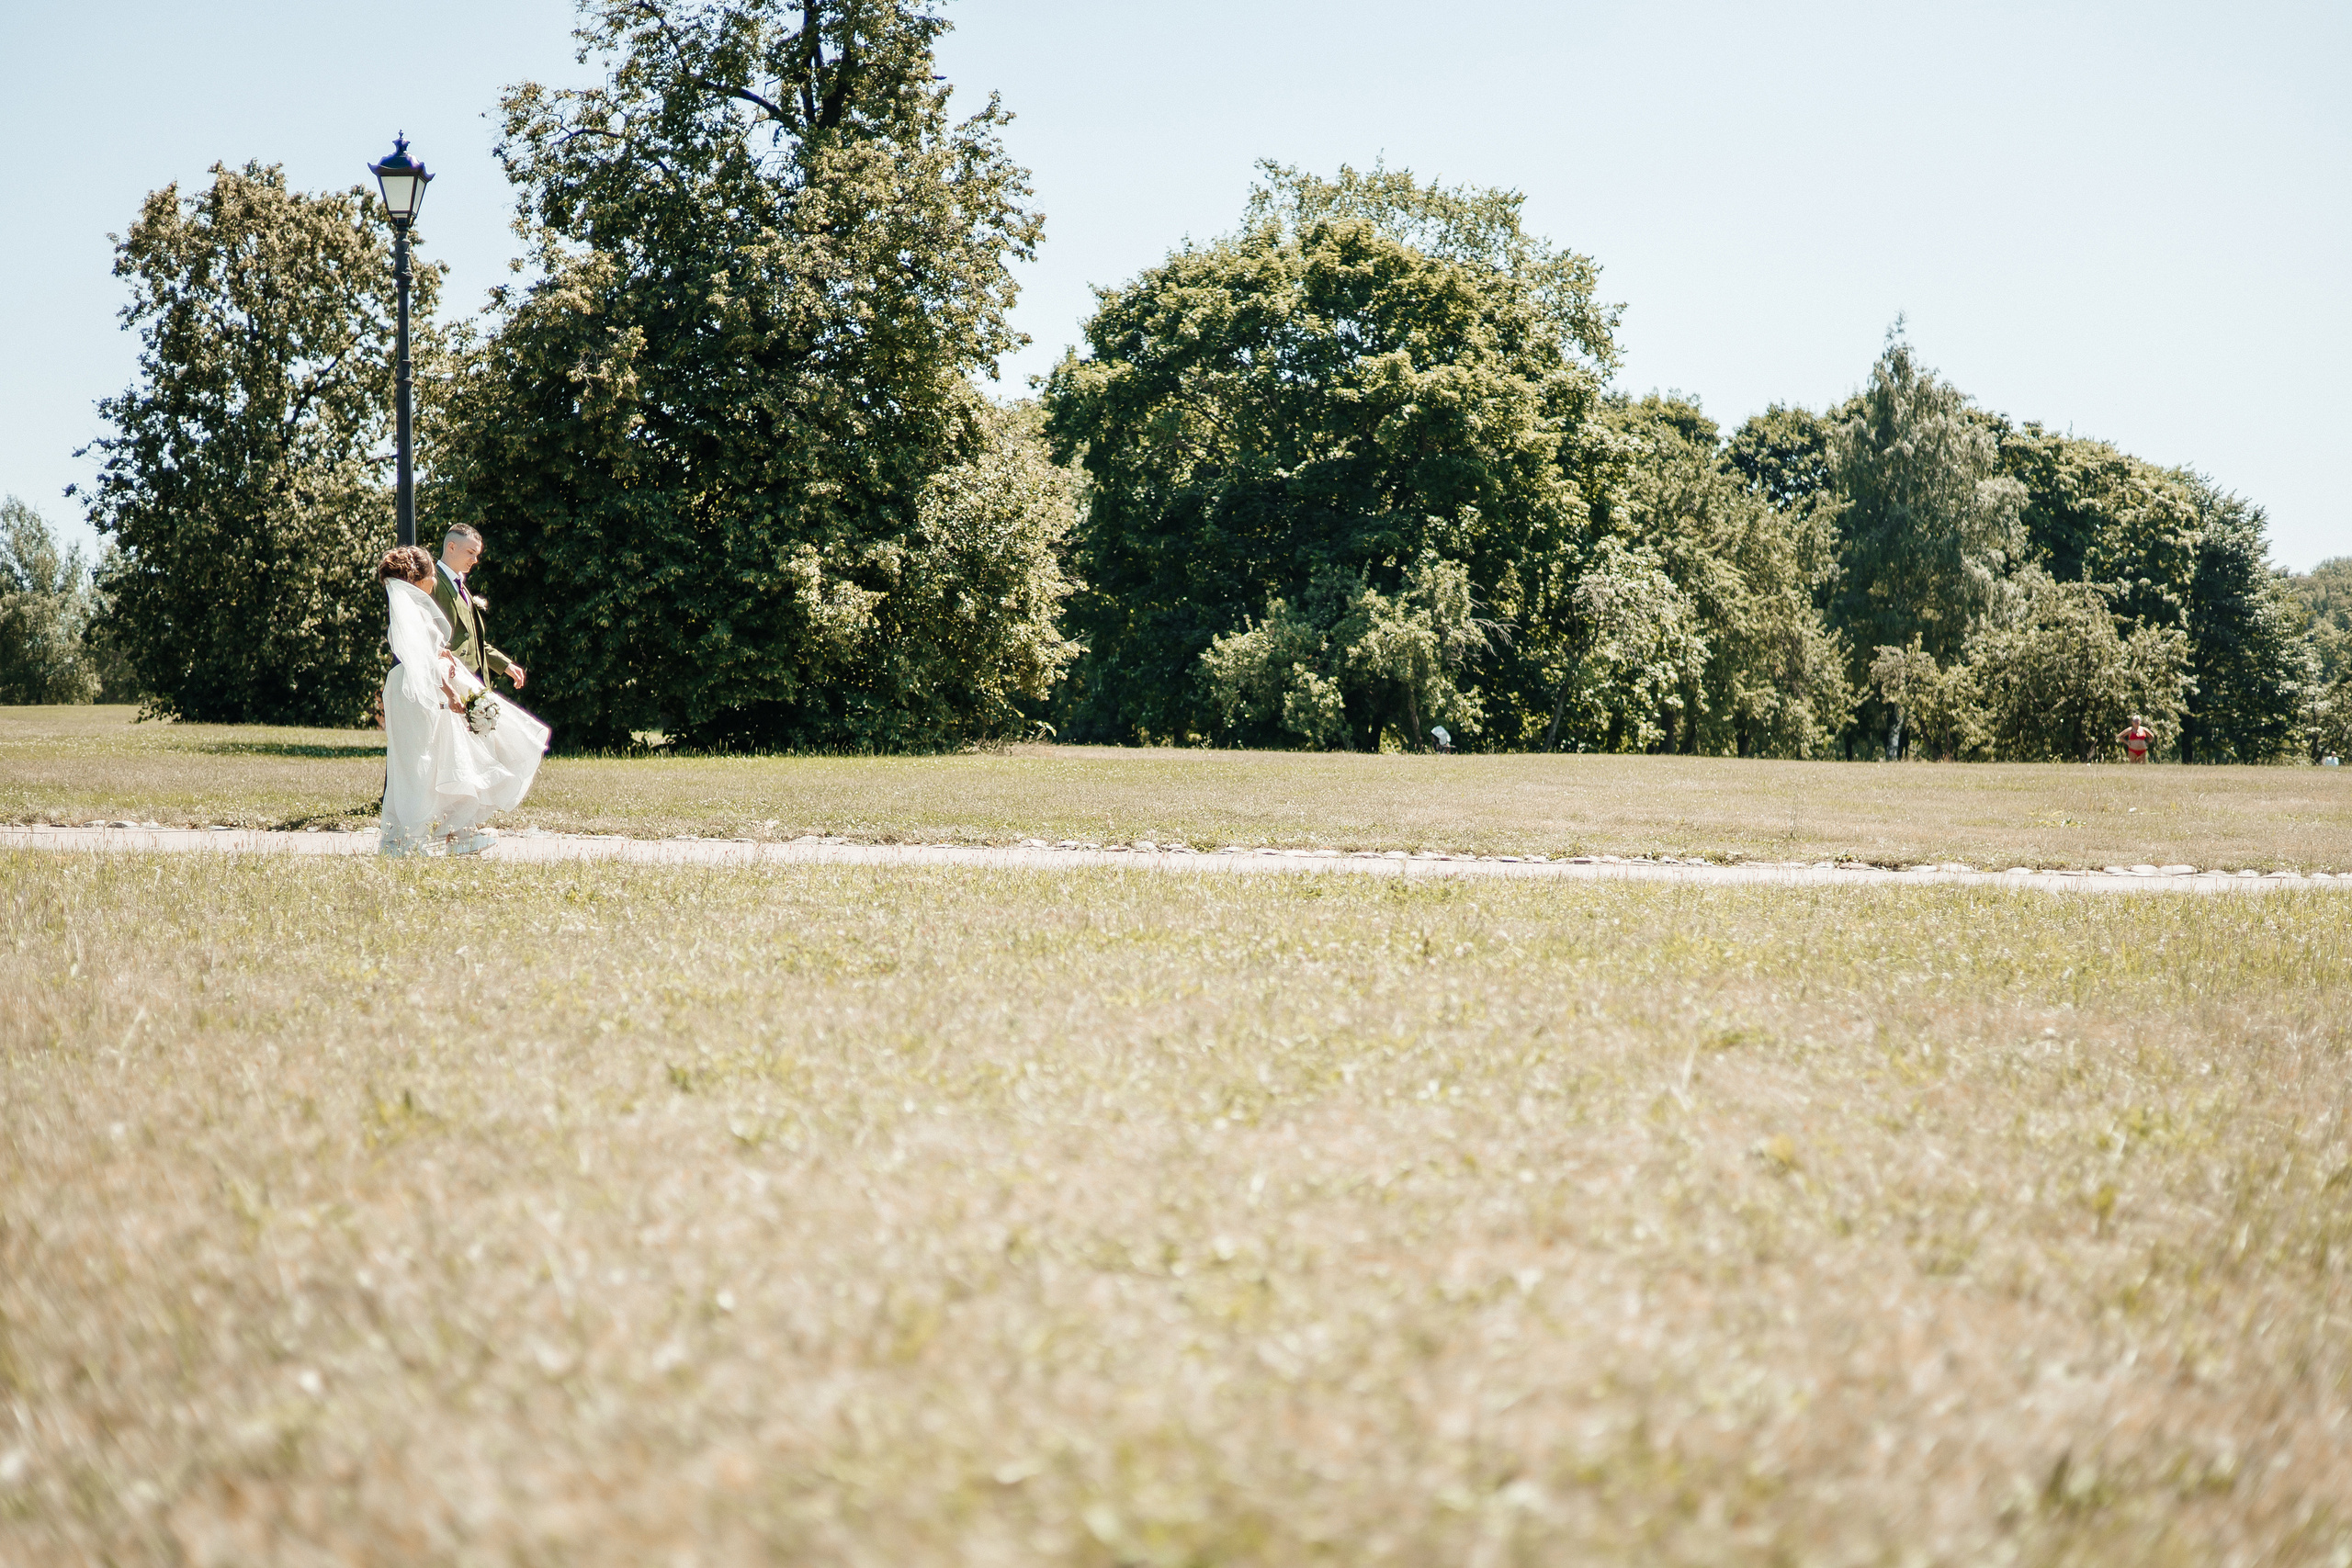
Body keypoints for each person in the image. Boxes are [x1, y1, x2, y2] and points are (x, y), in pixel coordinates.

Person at [378, 546, 550, 856]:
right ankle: (436, 833)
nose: (432, 580)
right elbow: (423, 662)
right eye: (429, 573)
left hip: (405, 688)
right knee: (429, 762)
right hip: (424, 690)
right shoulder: (414, 607)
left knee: (420, 762)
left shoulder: (404, 605)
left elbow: (420, 652)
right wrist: (451, 692)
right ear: (419, 577)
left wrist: (441, 652)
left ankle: (415, 836)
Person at [432, 524, 526, 691]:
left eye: (476, 555)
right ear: (451, 547)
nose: (475, 560)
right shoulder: (431, 581)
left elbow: (472, 639)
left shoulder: (462, 589)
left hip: (474, 683)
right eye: (470, 552)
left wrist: (505, 665)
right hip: (448, 681)